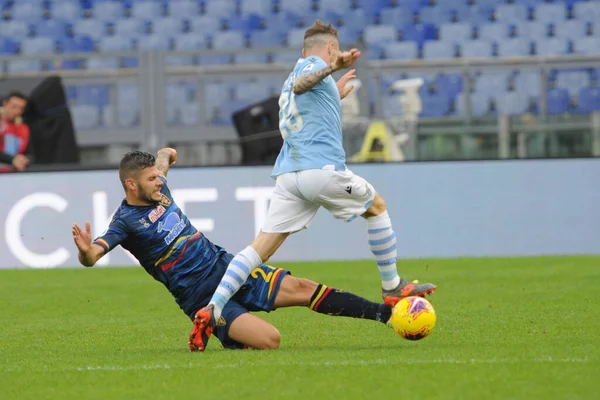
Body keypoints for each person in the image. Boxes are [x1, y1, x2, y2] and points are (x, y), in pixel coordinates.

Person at [193, 20, 437, 351]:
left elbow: (303, 96)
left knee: (259, 249)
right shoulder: (315, 66)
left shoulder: (291, 78)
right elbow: (305, 84)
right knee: (377, 207)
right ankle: (392, 287)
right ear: (330, 49)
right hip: (319, 171)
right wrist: (331, 68)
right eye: (333, 52)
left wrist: (332, 93)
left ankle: (213, 307)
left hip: (289, 176)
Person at [72, 148, 405, 352]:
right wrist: (85, 252)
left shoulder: (158, 187)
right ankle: (223, 332)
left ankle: (385, 315)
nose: (159, 182)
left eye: (159, 177)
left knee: (302, 288)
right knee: (270, 340)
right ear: (131, 185)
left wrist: (165, 156)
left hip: (225, 266)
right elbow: (94, 256)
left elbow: (161, 162)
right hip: (199, 296)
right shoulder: (125, 222)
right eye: (151, 179)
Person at [0, 91, 30, 172]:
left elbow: (29, 152)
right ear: (5, 104)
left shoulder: (23, 128)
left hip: (15, 174)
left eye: (21, 108)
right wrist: (12, 159)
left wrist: (24, 160)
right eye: (14, 107)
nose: (17, 111)